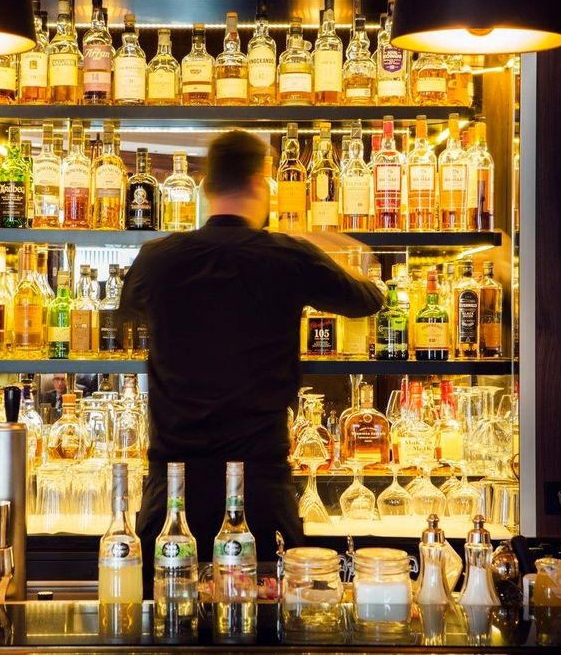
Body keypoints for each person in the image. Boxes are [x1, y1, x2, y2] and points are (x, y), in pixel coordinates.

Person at [121, 130, 385, 593]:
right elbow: (368, 300)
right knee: (268, 630)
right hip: (260, 485)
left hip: (173, 488)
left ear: (205, 186)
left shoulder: (156, 259)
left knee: (160, 627)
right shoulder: (288, 255)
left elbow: (128, 310)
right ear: (263, 184)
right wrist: (334, 247)